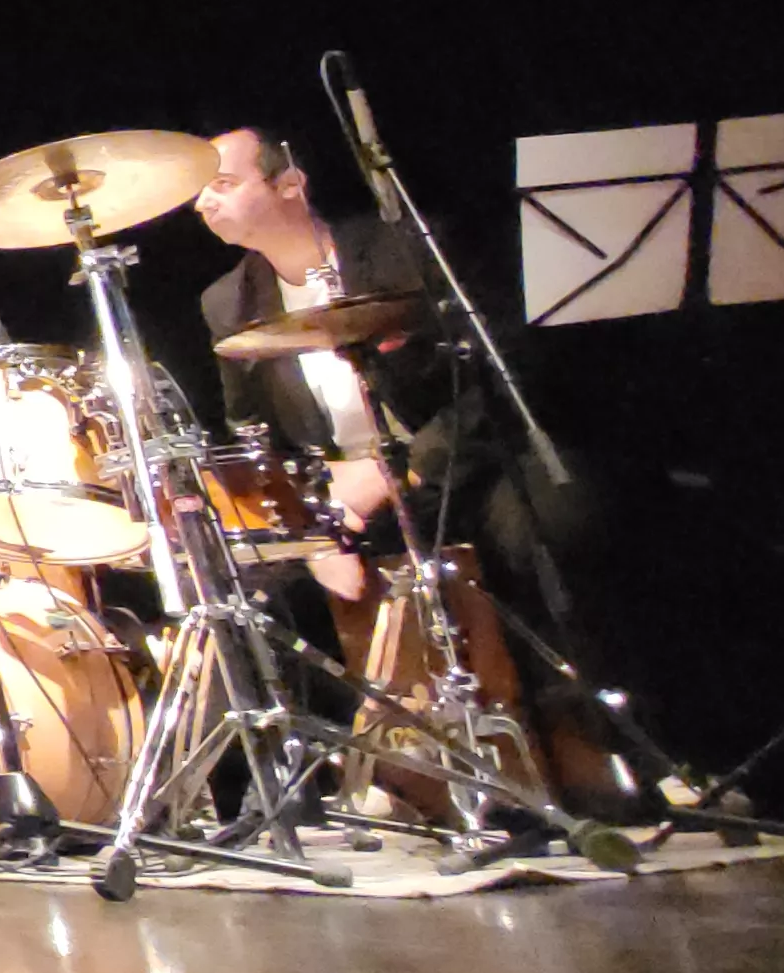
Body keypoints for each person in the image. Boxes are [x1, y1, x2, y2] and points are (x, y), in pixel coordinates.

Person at [192, 129, 584, 639]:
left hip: (463, 463)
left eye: (222, 183)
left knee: (553, 519)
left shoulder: (405, 247)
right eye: (202, 190)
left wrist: (397, 472)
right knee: (247, 594)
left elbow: (504, 369)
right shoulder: (228, 302)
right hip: (342, 494)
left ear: (290, 183)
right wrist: (312, 529)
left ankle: (577, 703)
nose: (203, 202)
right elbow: (250, 431)